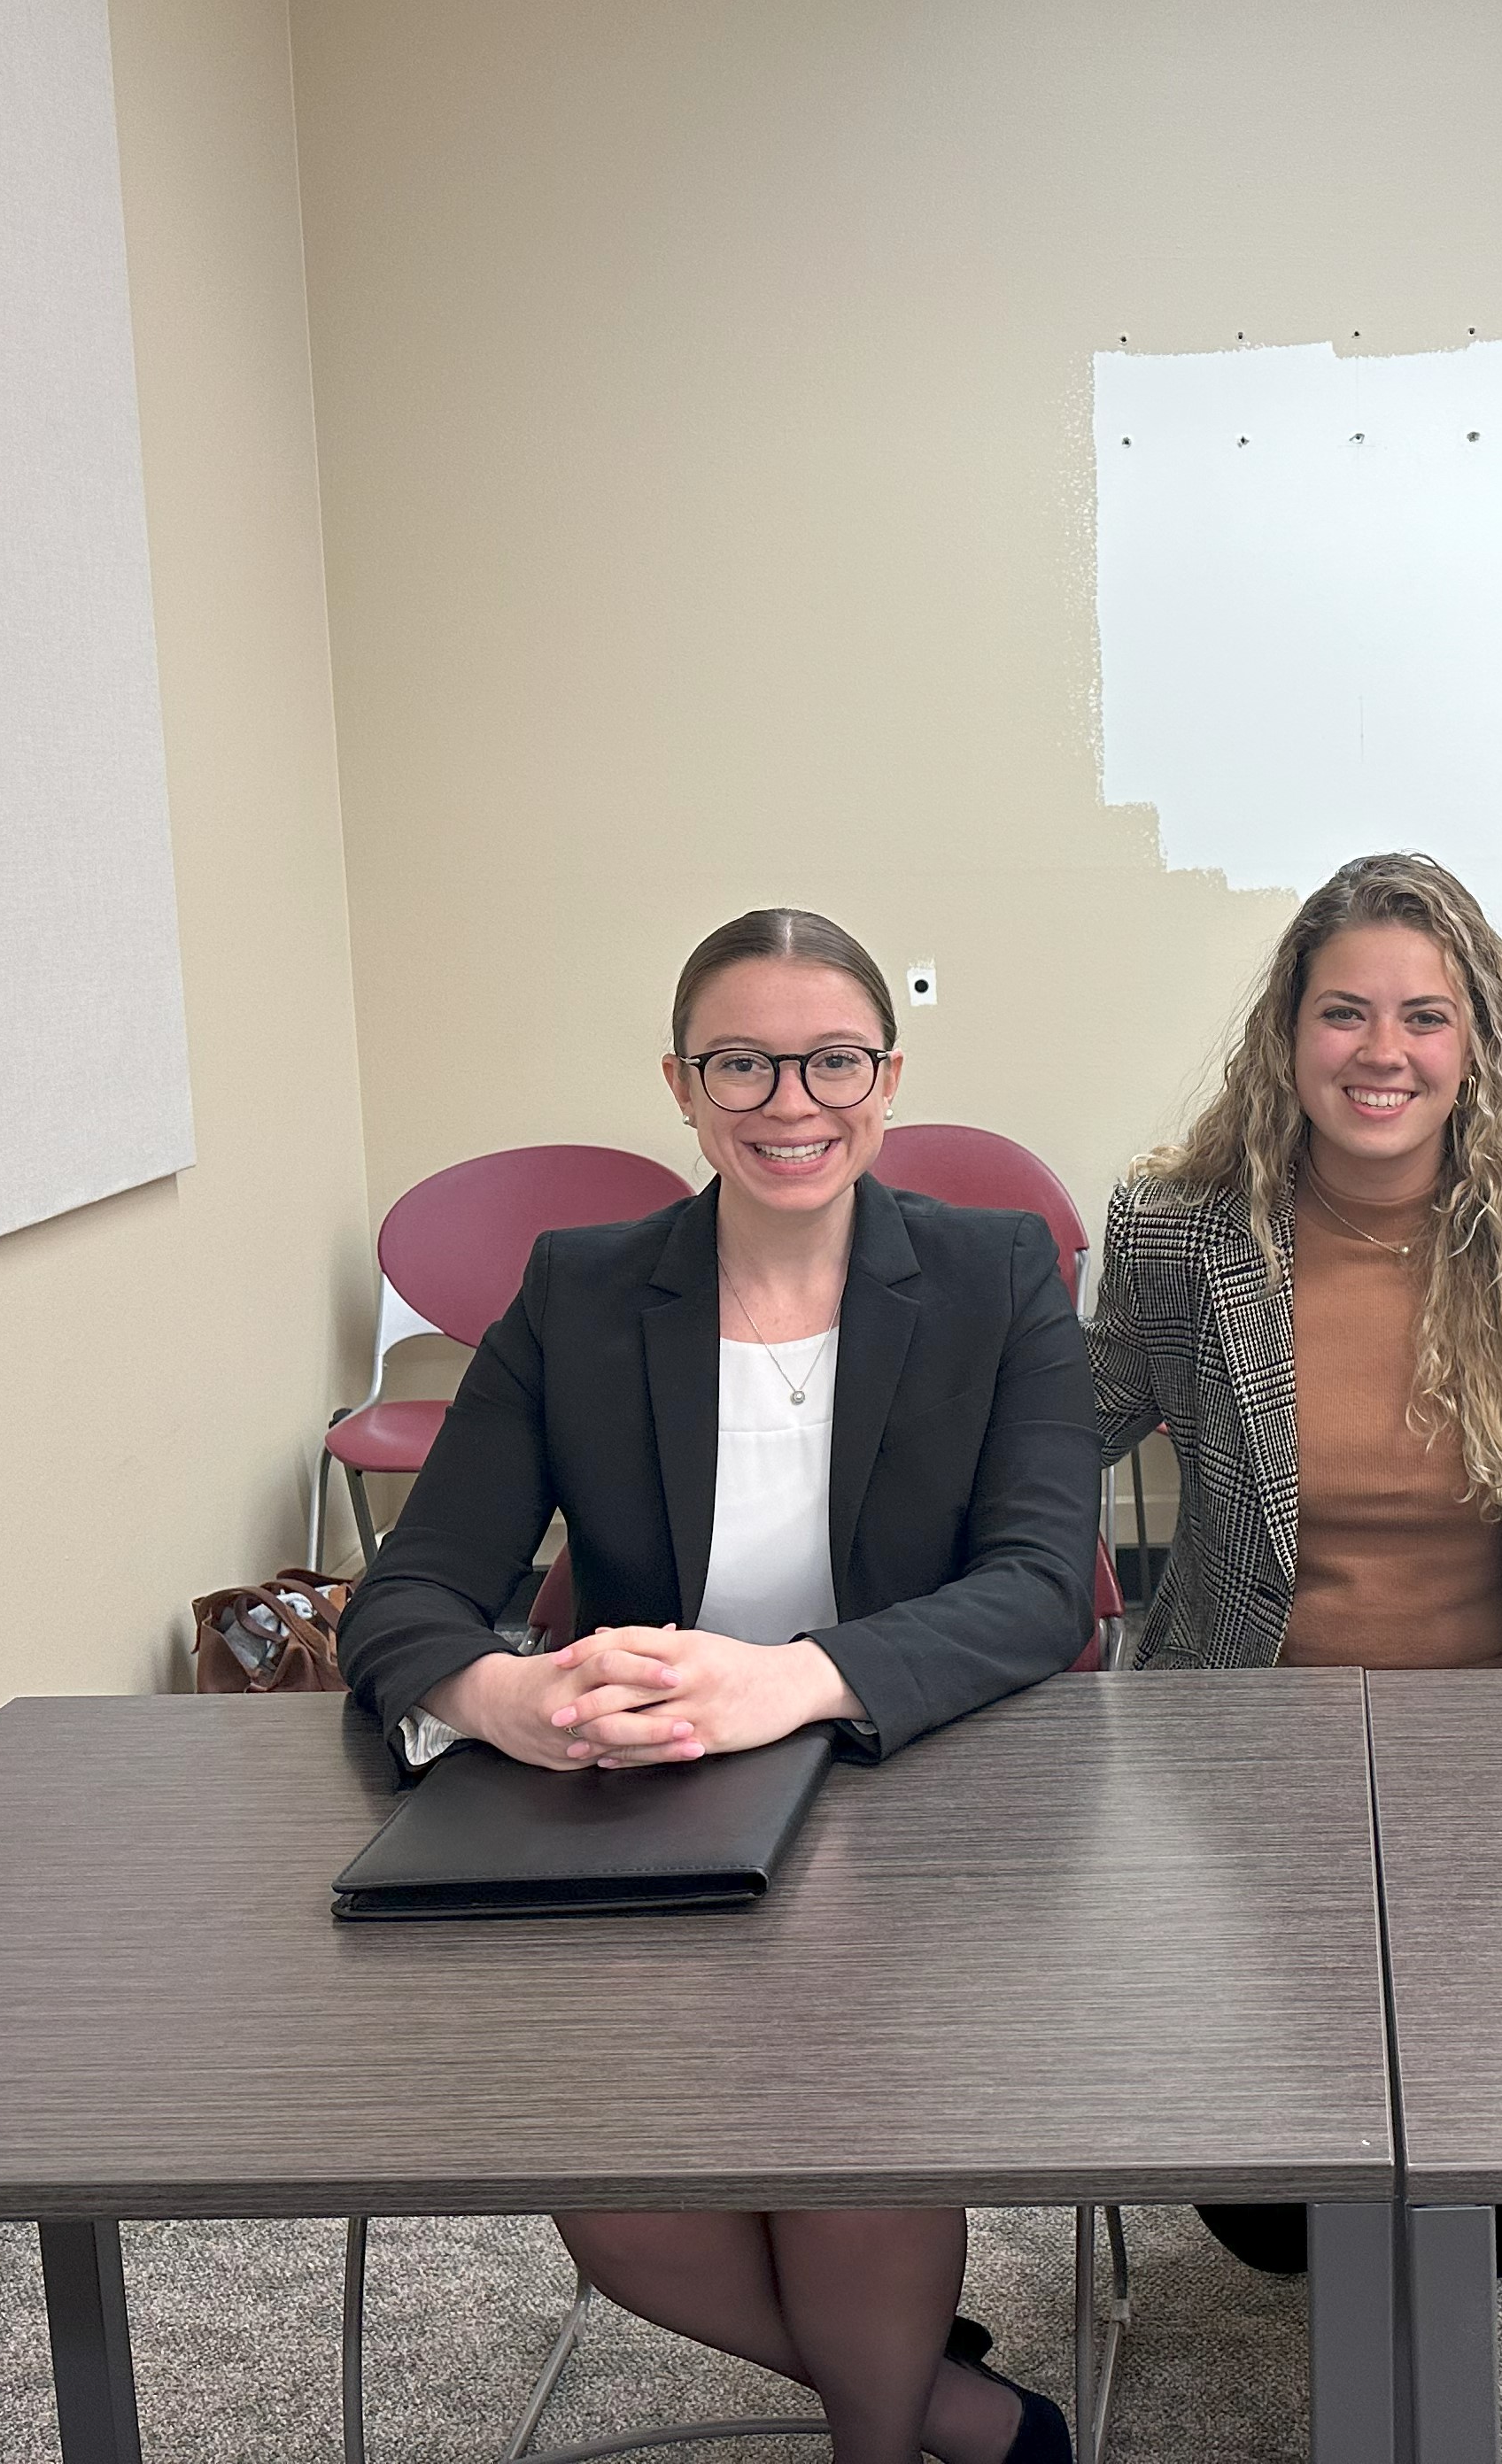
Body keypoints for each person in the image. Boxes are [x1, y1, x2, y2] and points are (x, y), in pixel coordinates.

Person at [338, 906, 1097, 2464]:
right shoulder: (582, 1290)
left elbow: (1040, 1586)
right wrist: (498, 1697)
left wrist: (800, 1680)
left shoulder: (995, 1271)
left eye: (833, 1061)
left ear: (889, 1079)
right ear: (681, 1087)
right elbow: (410, 1595)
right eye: (740, 1063)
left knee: (845, 2140)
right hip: (648, 1808)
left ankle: (885, 2436)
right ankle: (957, 2409)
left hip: (914, 1787)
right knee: (623, 2212)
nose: (789, 1102)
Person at [1086, 850, 1502, 2282]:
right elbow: (1063, 1421)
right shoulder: (1176, 1228)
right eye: (1344, 1013)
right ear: (1287, 1033)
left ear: (1477, 1039)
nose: (1383, 1053)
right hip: (1249, 1734)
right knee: (1269, 2212)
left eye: (1425, 1017)